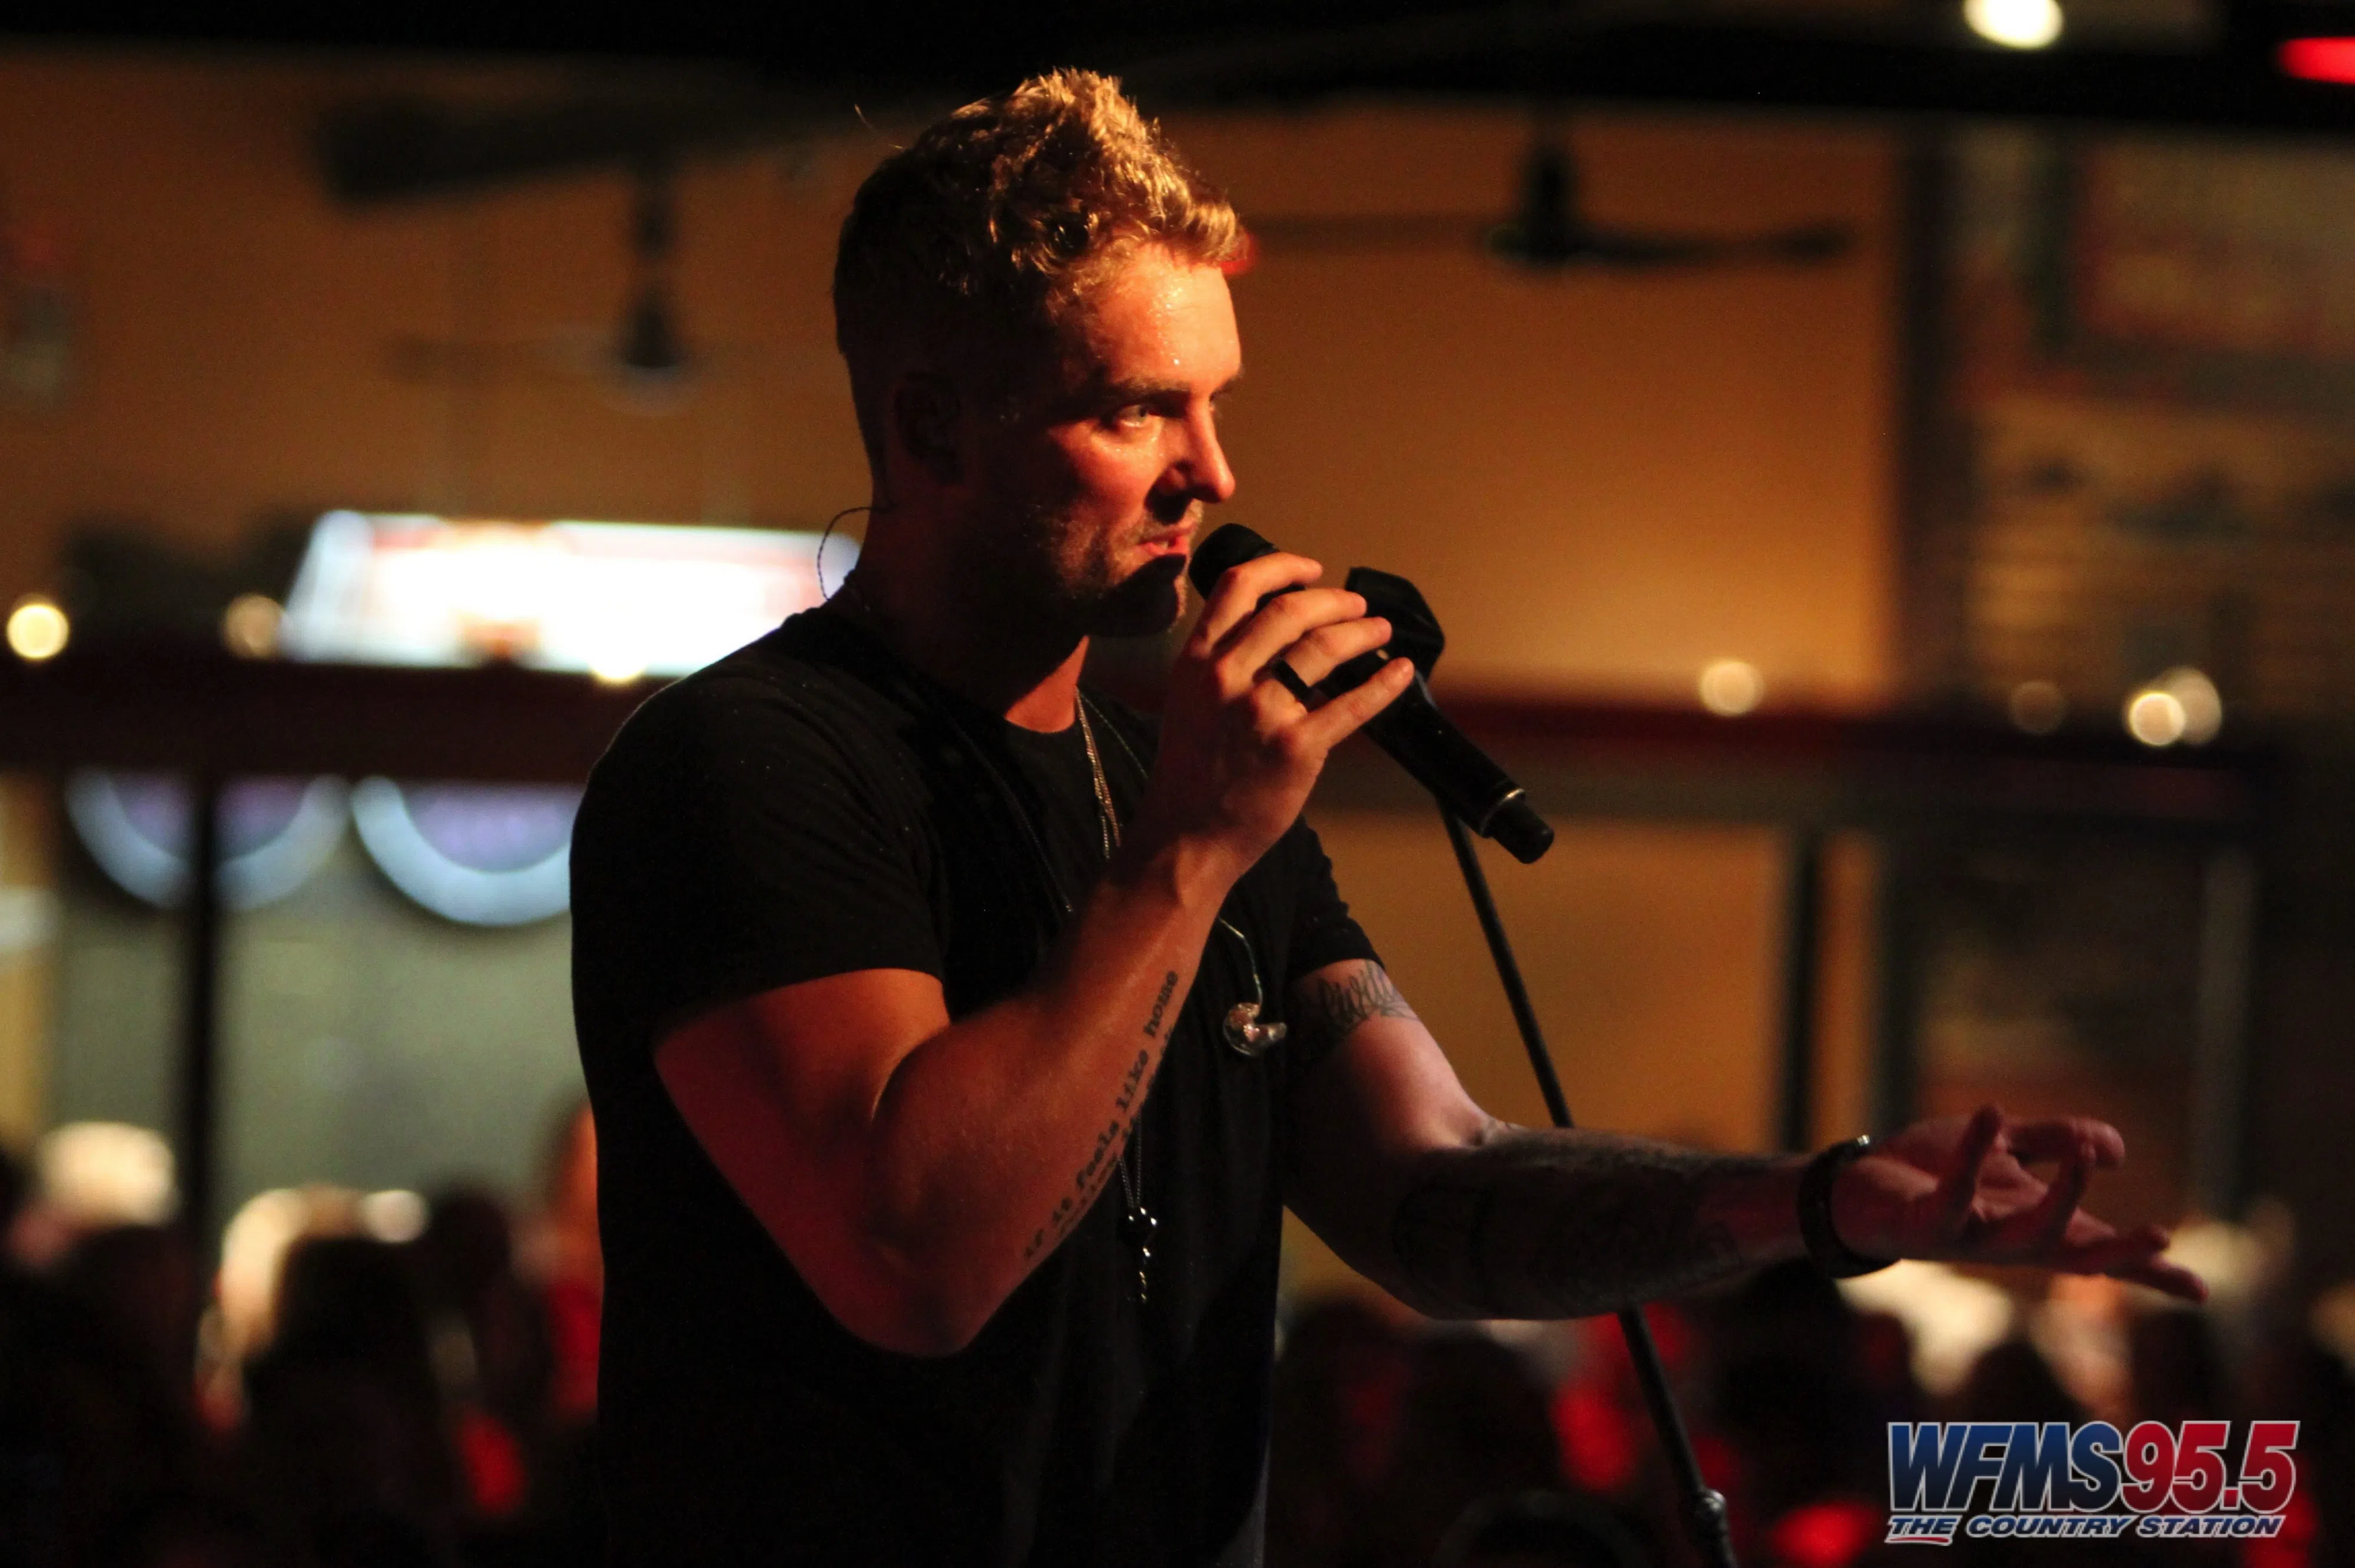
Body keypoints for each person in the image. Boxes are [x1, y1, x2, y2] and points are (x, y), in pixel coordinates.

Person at [568, 71, 2203, 1566]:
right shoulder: (750, 764)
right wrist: (1190, 854)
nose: (1212, 472)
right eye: (1137, 410)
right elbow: (909, 1257)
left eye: (1216, 403)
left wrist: (1819, 1200)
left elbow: (1440, 1190)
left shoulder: (1189, 795)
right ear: (933, 430)